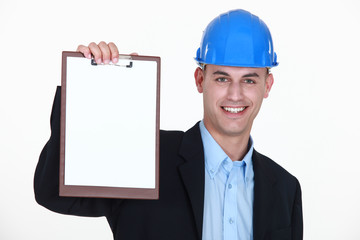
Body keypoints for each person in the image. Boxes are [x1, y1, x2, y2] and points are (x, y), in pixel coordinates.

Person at [34, 9, 303, 240]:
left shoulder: (285, 189)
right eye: (222, 79)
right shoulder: (145, 157)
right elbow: (52, 193)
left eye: (249, 80)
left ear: (267, 86)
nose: (235, 95)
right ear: (200, 80)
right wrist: (85, 87)